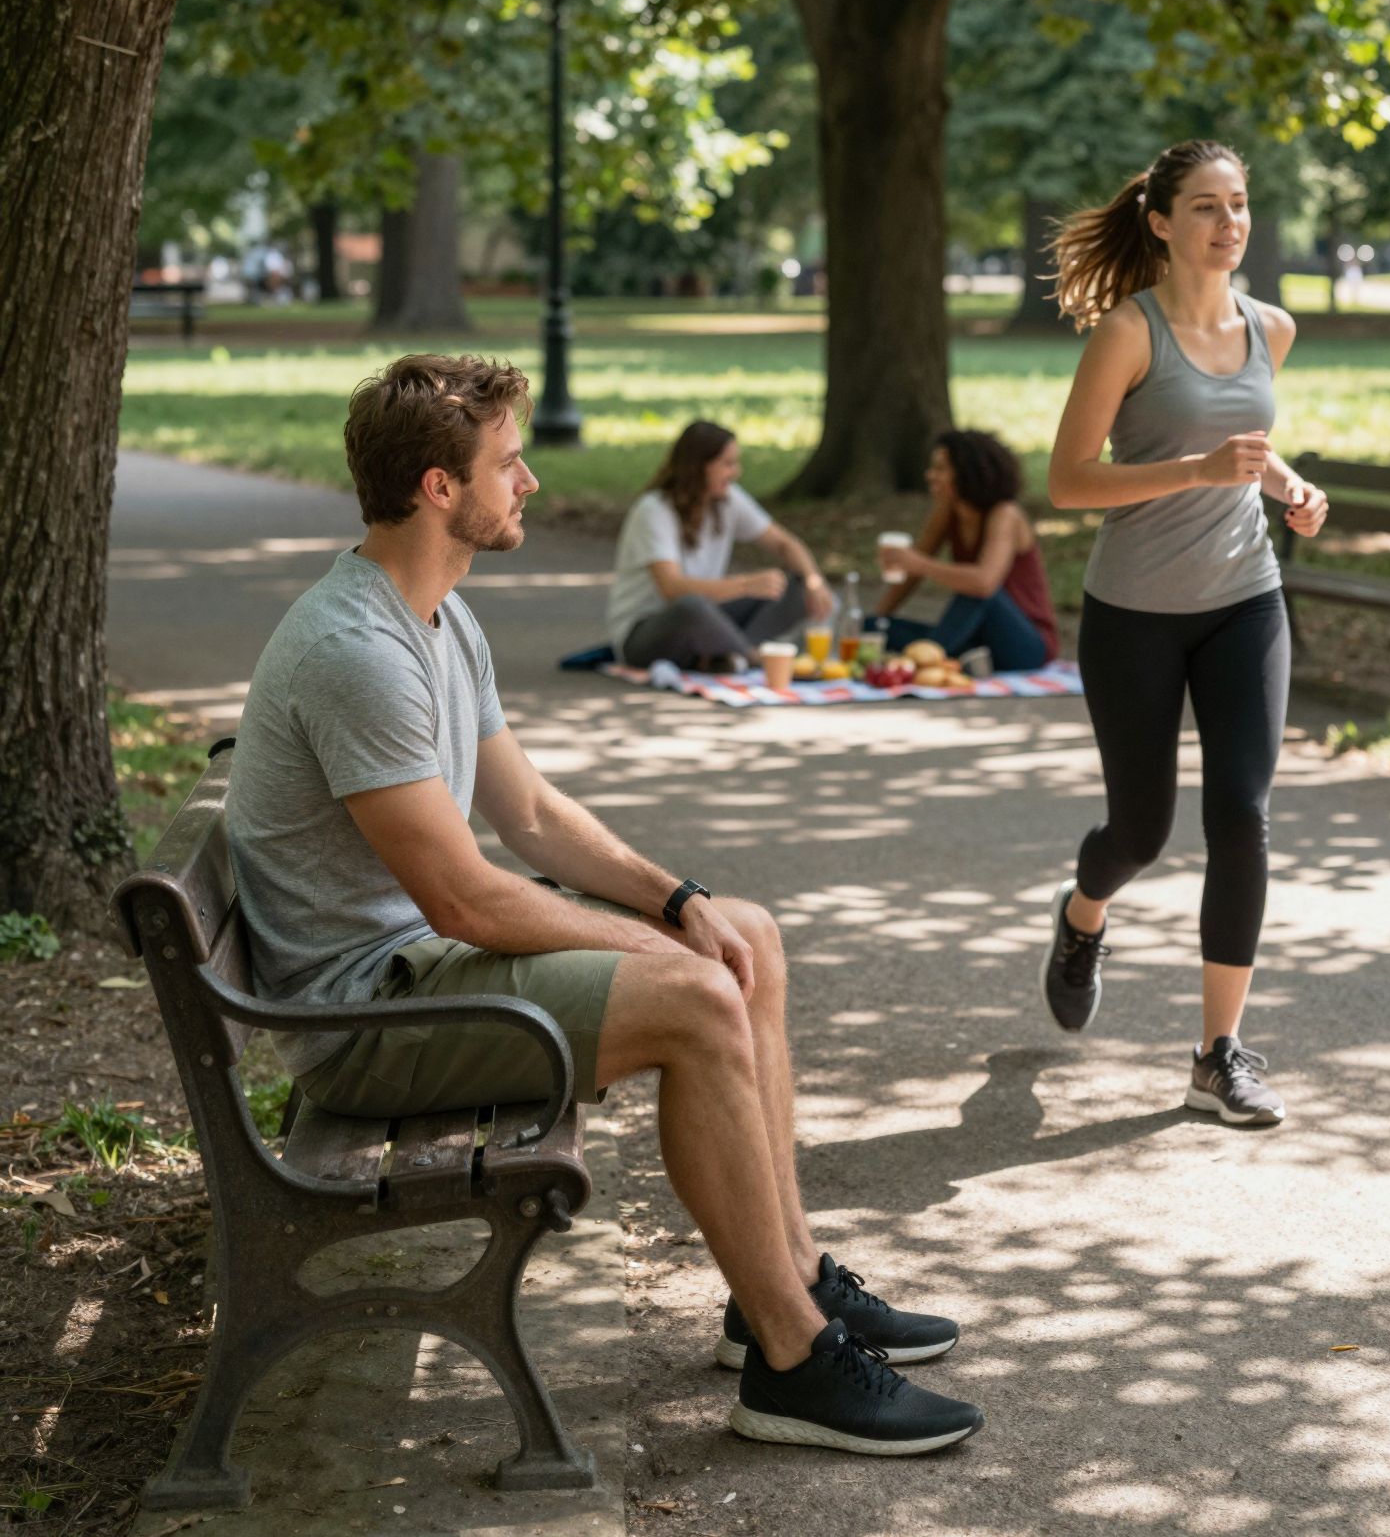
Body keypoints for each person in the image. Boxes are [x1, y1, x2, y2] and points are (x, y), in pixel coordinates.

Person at [226, 356, 981, 1457]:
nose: (527, 480)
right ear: (440, 487)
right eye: (507, 461)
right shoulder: (357, 649)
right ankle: (789, 1359)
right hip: (365, 1018)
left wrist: (680, 901)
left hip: (420, 969)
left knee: (747, 934)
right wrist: (661, 951)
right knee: (697, 997)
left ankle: (795, 1286)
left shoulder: (437, 618)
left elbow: (528, 813)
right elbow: (465, 895)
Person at [1038, 140, 1329, 1127]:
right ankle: (1083, 917)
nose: (1228, 222)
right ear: (1160, 220)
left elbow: (1245, 443)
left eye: (1239, 203)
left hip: (1245, 598)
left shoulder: (1270, 328)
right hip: (1134, 615)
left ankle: (1218, 1053)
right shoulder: (1128, 332)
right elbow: (1071, 479)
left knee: (1240, 814)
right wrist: (1199, 469)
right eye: (1205, 206)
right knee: (1141, 830)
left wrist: (1286, 484)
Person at [607, 420, 835, 670]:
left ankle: (733, 655)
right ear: (698, 467)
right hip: (645, 634)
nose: (736, 472)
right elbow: (671, 589)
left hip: (710, 618)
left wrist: (814, 581)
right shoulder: (653, 510)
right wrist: (746, 585)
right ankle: (750, 657)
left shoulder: (728, 499)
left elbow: (784, 544)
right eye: (727, 464)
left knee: (795, 586)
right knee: (691, 605)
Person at [874, 428, 1059, 672]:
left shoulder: (1005, 515)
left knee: (978, 589)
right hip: (976, 637)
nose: (930, 476)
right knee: (873, 629)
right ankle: (948, 657)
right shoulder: (947, 511)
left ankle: (929, 661)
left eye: (940, 469)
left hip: (1027, 646)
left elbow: (984, 583)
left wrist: (917, 563)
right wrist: (879, 619)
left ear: (966, 473)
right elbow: (912, 574)